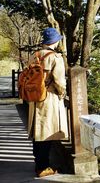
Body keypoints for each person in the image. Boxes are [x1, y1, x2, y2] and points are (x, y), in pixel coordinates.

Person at [27, 27, 69, 177]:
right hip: (48, 97)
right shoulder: (55, 58)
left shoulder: (34, 56)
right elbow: (59, 81)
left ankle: (39, 163)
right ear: (55, 41)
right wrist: (62, 94)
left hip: (34, 97)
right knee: (46, 132)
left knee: (37, 131)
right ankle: (43, 167)